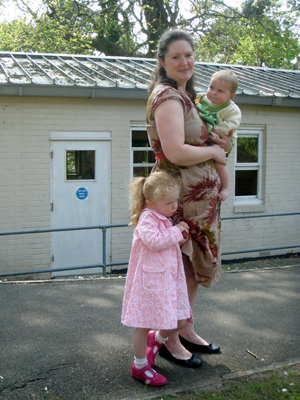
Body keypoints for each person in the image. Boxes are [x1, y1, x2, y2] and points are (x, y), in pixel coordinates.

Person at [146, 29, 233, 366]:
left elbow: (195, 144)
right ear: (162, 62)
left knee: (192, 269)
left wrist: (217, 144)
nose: (185, 62)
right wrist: (213, 149)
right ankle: (167, 337)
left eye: (189, 55)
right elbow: (176, 152)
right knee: (180, 271)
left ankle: (185, 328)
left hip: (200, 202)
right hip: (181, 199)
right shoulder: (167, 96)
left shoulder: (187, 97)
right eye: (176, 56)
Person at [121, 170, 202, 386]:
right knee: (144, 324)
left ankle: (156, 340)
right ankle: (139, 366)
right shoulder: (147, 218)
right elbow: (154, 242)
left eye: (176, 200)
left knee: (181, 319)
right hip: (149, 283)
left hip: (166, 281)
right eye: (169, 203)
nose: (174, 207)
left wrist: (179, 237)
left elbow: (165, 246)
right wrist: (176, 231)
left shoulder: (163, 216)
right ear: (150, 202)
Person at [195, 70, 242, 201]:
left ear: (231, 96)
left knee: (219, 164)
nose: (214, 93)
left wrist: (216, 129)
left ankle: (226, 188)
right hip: (204, 138)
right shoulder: (201, 99)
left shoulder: (231, 109)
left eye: (220, 91)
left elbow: (232, 123)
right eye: (212, 88)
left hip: (220, 139)